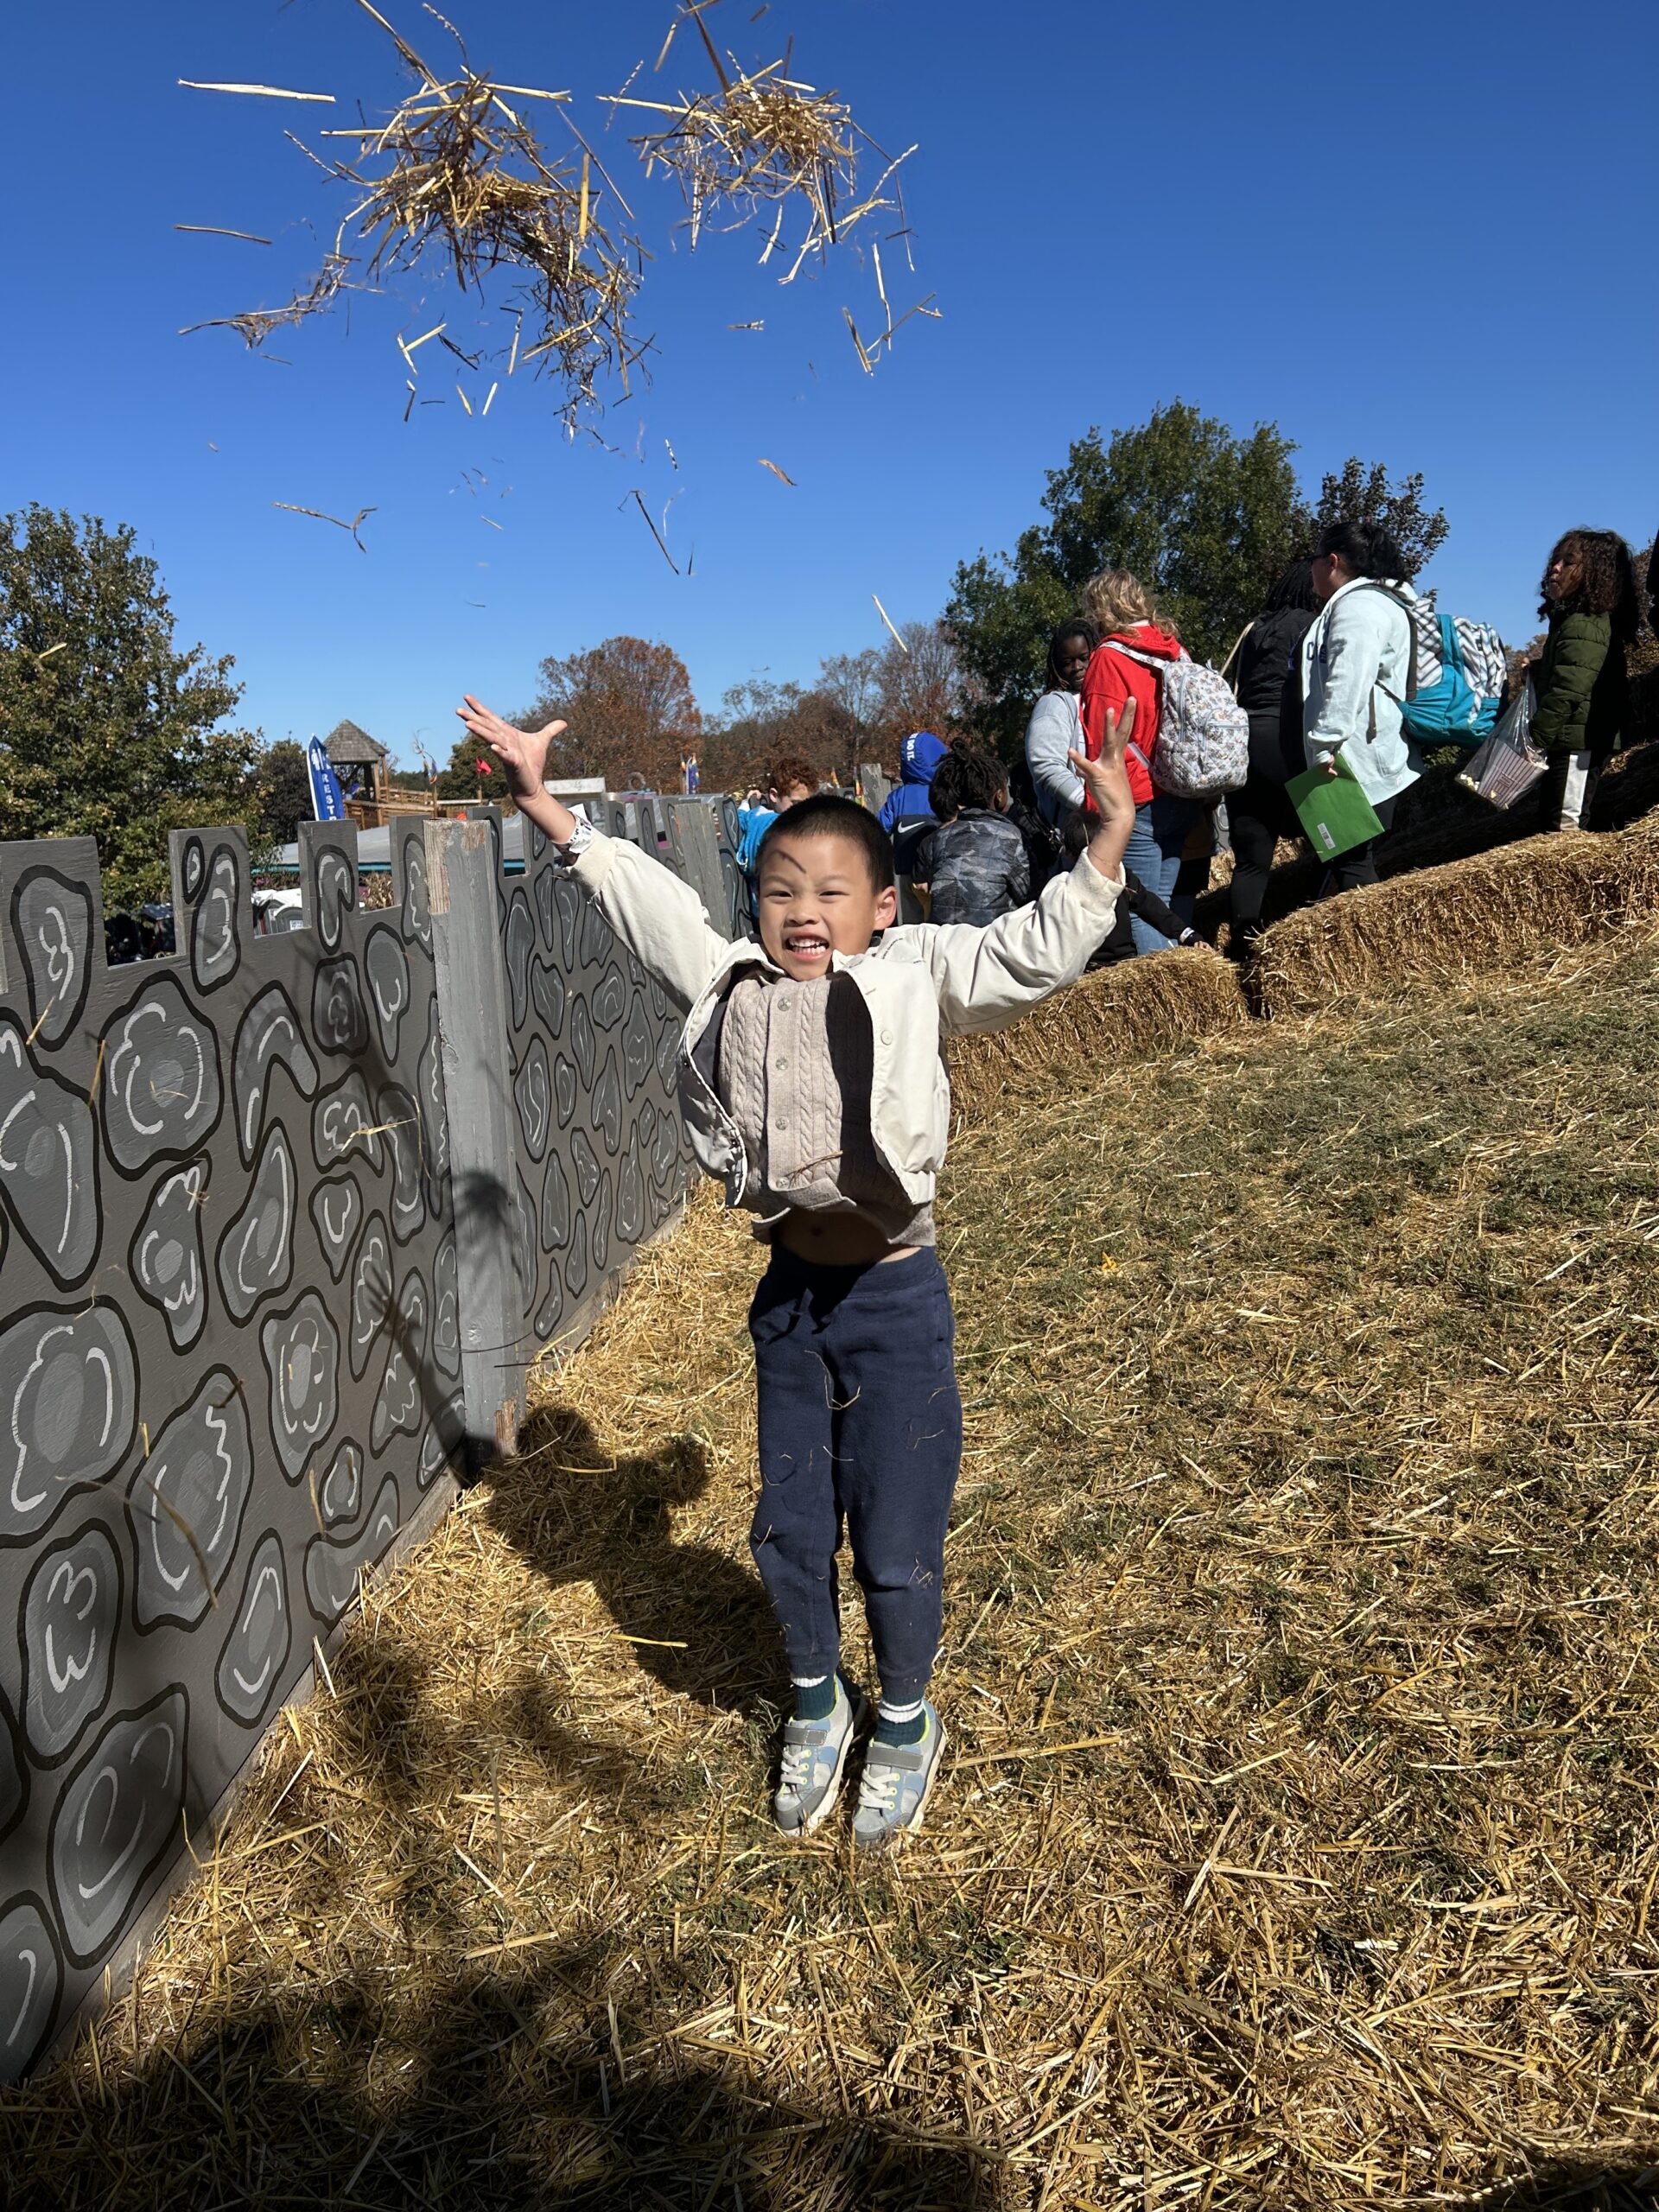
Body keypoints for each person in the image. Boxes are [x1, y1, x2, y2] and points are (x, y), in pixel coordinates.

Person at [455, 685, 1136, 1849]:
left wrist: (1108, 847)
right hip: (791, 1303)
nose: (802, 912)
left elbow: (1030, 954)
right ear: (756, 902)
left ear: (882, 906)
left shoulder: (917, 973)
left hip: (897, 1300)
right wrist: (547, 811)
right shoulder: (733, 982)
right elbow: (647, 903)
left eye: (830, 893)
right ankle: (818, 1705)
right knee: (790, 1521)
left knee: (897, 1531)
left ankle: (907, 1718)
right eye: (779, 890)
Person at [1300, 519, 1421, 893]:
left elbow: (1347, 680)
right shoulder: (1371, 603)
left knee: (1351, 865)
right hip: (1359, 752)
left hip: (1350, 760)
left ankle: (1378, 950)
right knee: (1345, 864)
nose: (1311, 568)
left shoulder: (1358, 607)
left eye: (1314, 559)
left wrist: (1323, 745)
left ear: (1332, 561)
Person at [1078, 571, 1195, 953]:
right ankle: (1190, 990)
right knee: (1165, 905)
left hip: (1136, 795)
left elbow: (1104, 739)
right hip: (1180, 789)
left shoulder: (1109, 658)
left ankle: (1173, 1000)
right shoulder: (1174, 650)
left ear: (1101, 608)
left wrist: (1098, 810)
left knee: (1142, 908)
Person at [1226, 561, 1323, 954]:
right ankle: (1311, 938)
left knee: (1251, 863)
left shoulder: (1252, 629)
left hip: (1243, 748)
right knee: (1340, 842)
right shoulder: (1314, 625)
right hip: (1288, 740)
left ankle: (1242, 950)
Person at [1529, 529, 1637, 830]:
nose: (1555, 567)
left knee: (1565, 828)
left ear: (1593, 574)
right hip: (1572, 738)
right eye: (1555, 560)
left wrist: (1536, 736)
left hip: (1580, 742)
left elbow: (1570, 687)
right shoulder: (1573, 620)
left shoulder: (1585, 622)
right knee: (1555, 821)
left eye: (1568, 562)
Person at [910, 747, 1033, 925]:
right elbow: (1026, 893)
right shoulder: (1010, 835)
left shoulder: (939, 838)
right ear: (999, 796)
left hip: (945, 938)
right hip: (990, 939)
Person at [1024, 620, 1097, 828]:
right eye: (1067, 662)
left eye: (1084, 658)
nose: (1077, 668)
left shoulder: (1101, 698)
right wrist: (1087, 804)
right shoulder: (1053, 704)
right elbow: (1046, 765)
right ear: (1056, 665)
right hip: (1077, 827)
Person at [735, 756, 817, 877]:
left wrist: (746, 803)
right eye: (796, 804)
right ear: (774, 795)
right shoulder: (780, 826)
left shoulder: (756, 817)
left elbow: (740, 818)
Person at [877, 731, 950, 836]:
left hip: (903, 851)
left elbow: (877, 832)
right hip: (938, 850)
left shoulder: (897, 797)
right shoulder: (945, 793)